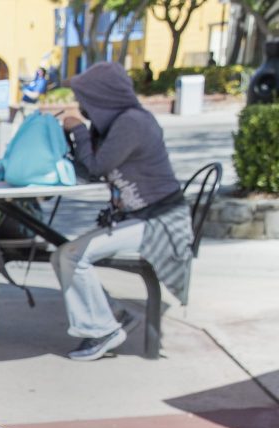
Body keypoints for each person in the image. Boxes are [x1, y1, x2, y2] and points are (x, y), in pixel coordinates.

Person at [57, 62, 193, 361]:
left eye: (85, 99)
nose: (81, 105)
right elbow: (90, 168)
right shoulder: (117, 124)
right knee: (61, 254)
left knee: (71, 255)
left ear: (102, 97)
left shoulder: (131, 123)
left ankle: (103, 330)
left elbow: (96, 167)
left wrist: (78, 129)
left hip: (161, 222)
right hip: (142, 217)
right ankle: (107, 314)